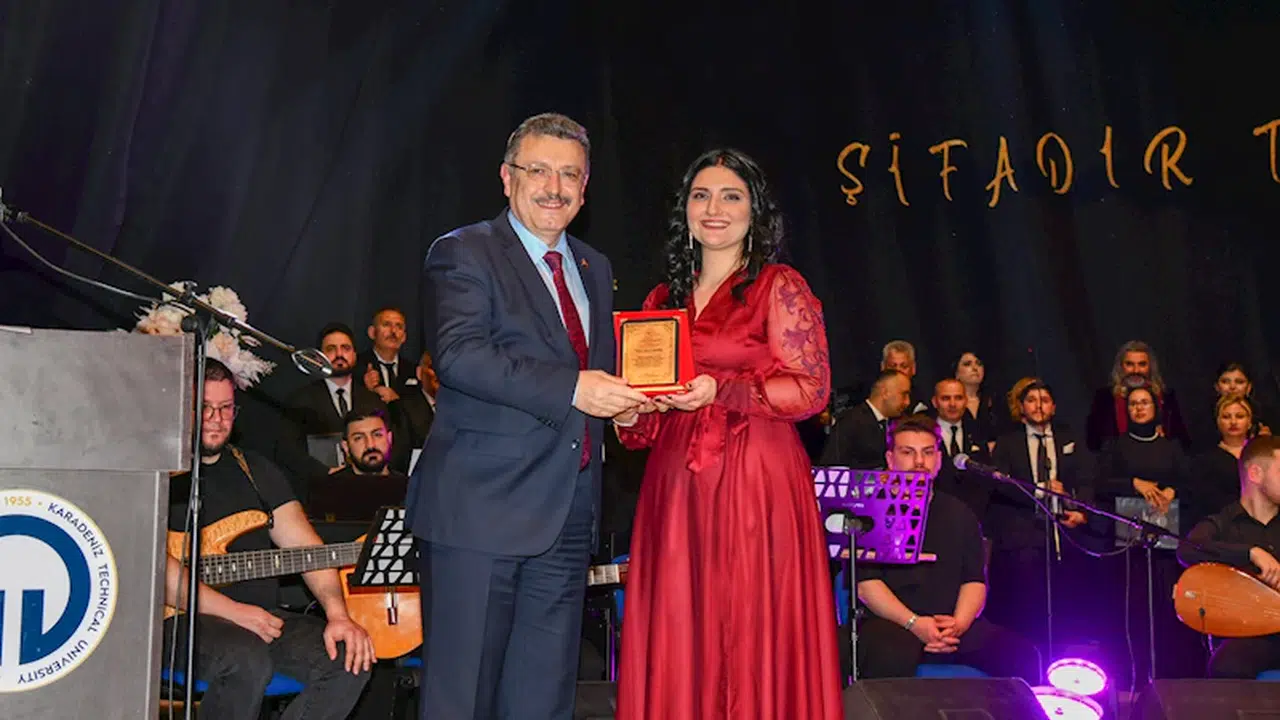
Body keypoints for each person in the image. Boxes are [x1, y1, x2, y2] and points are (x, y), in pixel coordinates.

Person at [407, 112, 648, 720]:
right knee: (463, 702)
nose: (554, 187)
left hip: (567, 516)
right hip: (480, 515)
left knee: (542, 702)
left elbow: (597, 376)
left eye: (570, 175)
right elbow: (460, 356)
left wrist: (632, 407)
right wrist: (576, 389)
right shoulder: (463, 252)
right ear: (506, 177)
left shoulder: (593, 266)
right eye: (538, 170)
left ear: (585, 188)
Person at [614, 148, 843, 719]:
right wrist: (626, 413)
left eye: (731, 196)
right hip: (675, 487)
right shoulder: (661, 300)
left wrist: (722, 389)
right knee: (680, 625)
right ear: (685, 211)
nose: (714, 208)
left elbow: (811, 390)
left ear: (754, 211)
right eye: (701, 195)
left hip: (755, 479)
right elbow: (646, 427)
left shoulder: (777, 285)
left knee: (750, 624)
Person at [163, 359, 374, 720]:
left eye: (226, 408)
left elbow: (308, 549)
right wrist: (235, 612)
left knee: (349, 657)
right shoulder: (161, 474)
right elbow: (152, 567)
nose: (216, 419)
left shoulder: (256, 470)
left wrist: (339, 615)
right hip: (181, 619)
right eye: (206, 407)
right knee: (247, 659)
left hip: (262, 620)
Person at [856, 414, 1040, 683]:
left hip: (951, 624)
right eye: (908, 452)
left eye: (927, 452)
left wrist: (959, 625)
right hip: (895, 624)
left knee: (1022, 655)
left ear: (939, 460)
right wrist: (915, 623)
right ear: (890, 459)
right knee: (889, 653)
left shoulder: (960, 513)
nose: (919, 462)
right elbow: (866, 586)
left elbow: (974, 581)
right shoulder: (872, 512)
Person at [1177, 434, 1280, 677]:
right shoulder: (1223, 523)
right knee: (1228, 664)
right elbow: (1188, 549)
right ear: (1255, 474)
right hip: (1255, 636)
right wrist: (1250, 553)